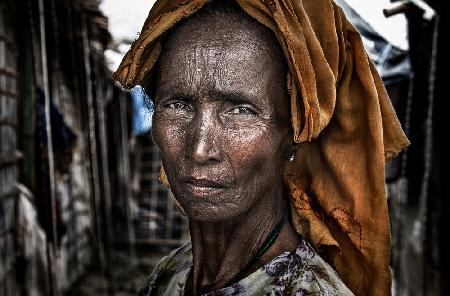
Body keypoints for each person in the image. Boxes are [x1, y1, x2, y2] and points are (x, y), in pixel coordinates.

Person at [112, 1, 410, 295]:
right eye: (178, 105)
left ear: (294, 132)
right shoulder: (170, 273)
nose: (200, 149)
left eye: (241, 110)